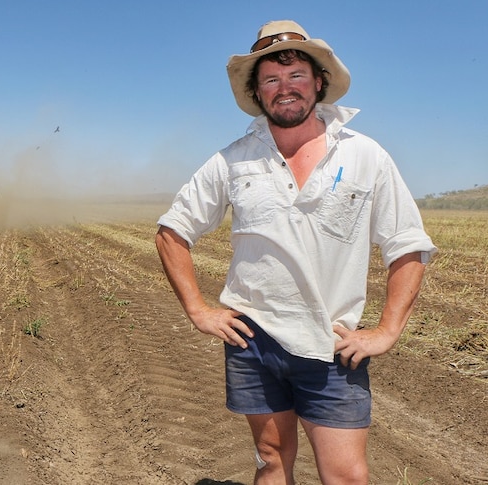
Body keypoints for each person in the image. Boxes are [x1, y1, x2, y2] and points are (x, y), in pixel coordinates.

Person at [155, 20, 436, 484]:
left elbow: (407, 244)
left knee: (346, 474)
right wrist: (198, 310)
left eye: (295, 76)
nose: (284, 88)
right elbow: (172, 232)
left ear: (319, 83)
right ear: (258, 91)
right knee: (270, 457)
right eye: (271, 79)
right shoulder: (233, 160)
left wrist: (386, 331)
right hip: (253, 340)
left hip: (332, 345)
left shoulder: (366, 156)